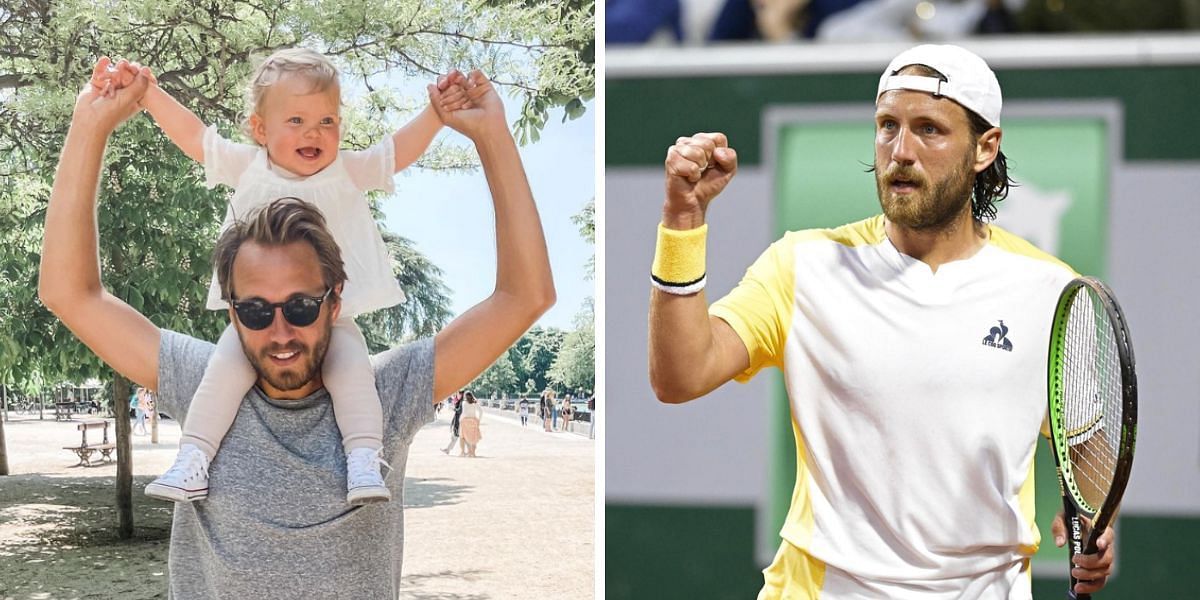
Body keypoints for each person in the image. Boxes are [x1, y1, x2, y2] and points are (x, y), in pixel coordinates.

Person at [38, 59, 553, 597]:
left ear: (335, 301)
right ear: (232, 310)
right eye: (257, 310)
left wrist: (492, 134)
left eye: (302, 306)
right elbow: (69, 292)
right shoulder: (201, 381)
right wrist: (90, 126)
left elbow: (525, 296)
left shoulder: (386, 396)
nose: (280, 330)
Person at [648, 44, 1116, 598]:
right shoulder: (802, 265)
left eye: (929, 130)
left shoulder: (1051, 291)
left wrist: (1097, 517)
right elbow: (680, 376)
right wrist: (683, 220)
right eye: (887, 126)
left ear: (985, 148)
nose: (901, 151)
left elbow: (1087, 439)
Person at [87, 50, 473, 506]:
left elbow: (396, 152)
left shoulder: (345, 169)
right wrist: (149, 94)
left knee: (353, 373)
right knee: (224, 370)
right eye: (296, 120)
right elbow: (196, 138)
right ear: (261, 130)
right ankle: (194, 457)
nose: (314, 132)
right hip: (257, 314)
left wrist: (435, 114)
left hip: (329, 313)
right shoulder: (250, 165)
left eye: (327, 121)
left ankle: (365, 459)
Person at [458, 391, 483, 457]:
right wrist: (479, 420)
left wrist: (460, 419)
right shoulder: (475, 403)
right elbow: (481, 411)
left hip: (465, 421)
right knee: (473, 437)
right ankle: (473, 453)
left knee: (462, 437)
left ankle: (463, 452)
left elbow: (464, 412)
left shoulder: (464, 403)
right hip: (473, 421)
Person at [442, 390, 464, 454]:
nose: (457, 395)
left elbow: (460, 411)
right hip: (458, 420)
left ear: (461, 395)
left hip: (460, 421)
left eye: (458, 394)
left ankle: (448, 449)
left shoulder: (462, 402)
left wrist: (454, 409)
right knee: (455, 436)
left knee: (457, 436)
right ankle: (448, 449)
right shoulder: (460, 401)